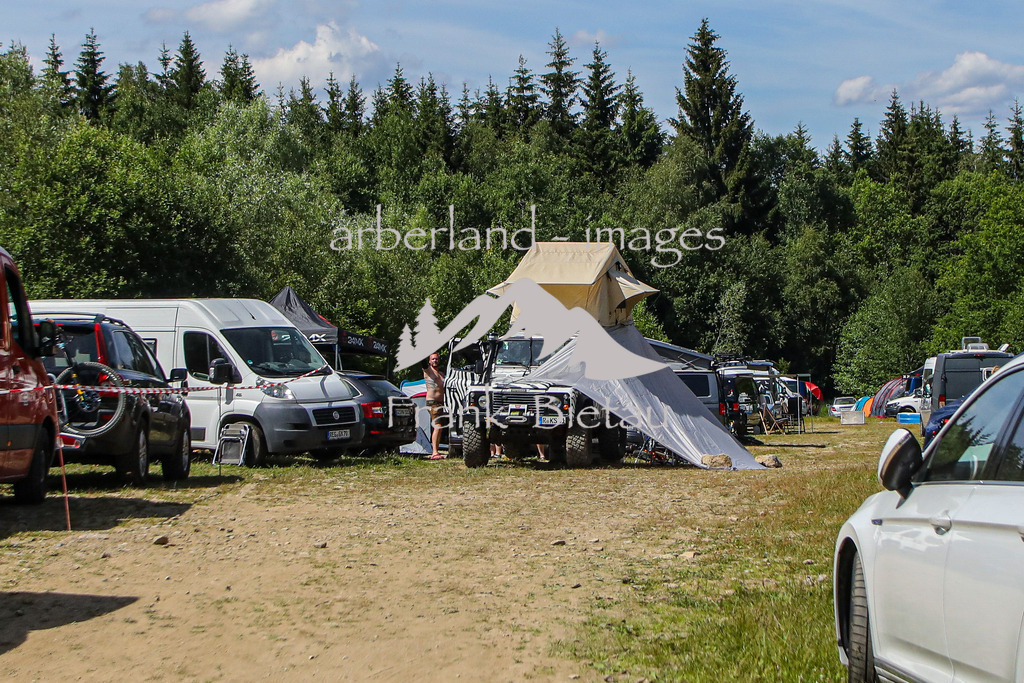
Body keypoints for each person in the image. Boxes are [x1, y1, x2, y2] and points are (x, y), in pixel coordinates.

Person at [424, 352, 447, 460]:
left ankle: (436, 450)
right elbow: (422, 362)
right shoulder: (428, 371)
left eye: (436, 359)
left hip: (441, 403)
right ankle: (434, 452)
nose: (435, 361)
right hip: (432, 402)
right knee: (437, 425)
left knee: (440, 427)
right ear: (429, 361)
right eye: (433, 359)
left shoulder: (441, 374)